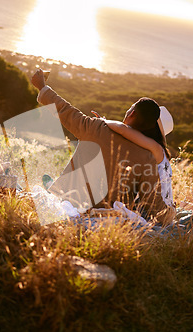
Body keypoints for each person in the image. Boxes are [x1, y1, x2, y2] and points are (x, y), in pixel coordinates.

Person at [31, 69, 176, 225]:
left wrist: (42, 87)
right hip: (108, 214)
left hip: (70, 200)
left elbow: (65, 110)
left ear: (132, 113)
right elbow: (153, 203)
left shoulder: (96, 127)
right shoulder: (149, 156)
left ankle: (51, 186)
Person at [93, 104, 174, 207]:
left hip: (159, 209)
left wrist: (102, 121)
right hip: (159, 206)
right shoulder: (155, 149)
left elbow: (122, 129)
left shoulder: (155, 148)